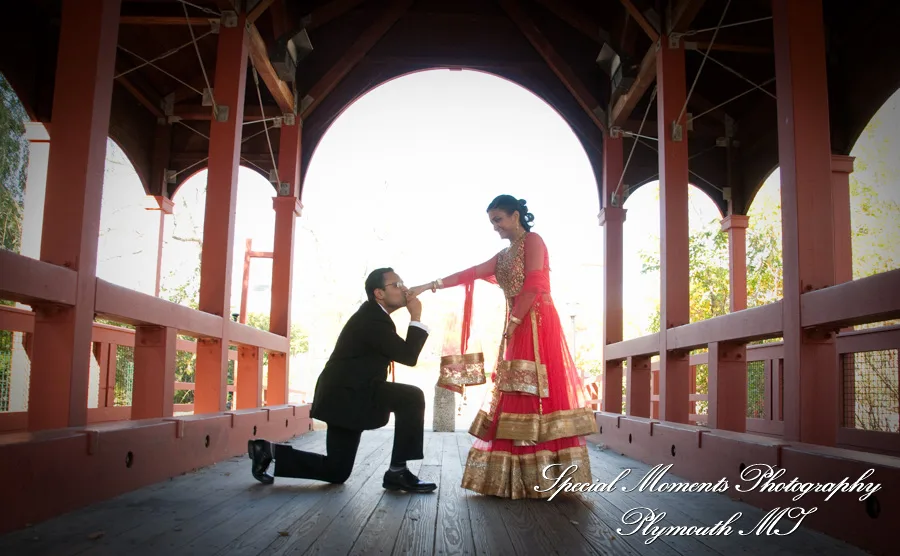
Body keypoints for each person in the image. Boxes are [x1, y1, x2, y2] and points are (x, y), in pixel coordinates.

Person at [408, 195, 596, 499]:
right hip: (518, 320)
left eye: (499, 219)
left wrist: (515, 320)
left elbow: (535, 283)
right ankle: (515, 476)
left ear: (516, 216)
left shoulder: (533, 240)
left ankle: (547, 475)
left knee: (533, 388)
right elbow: (468, 273)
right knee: (513, 388)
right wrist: (428, 286)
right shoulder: (502, 256)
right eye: (492, 221)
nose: (495, 226)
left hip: (535, 319)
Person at [247, 268, 437, 493]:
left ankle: (269, 452)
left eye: (403, 283)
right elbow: (408, 356)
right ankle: (398, 472)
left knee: (337, 471)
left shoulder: (375, 316)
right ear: (379, 293)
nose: (404, 288)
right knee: (411, 397)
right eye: (396, 285)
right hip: (346, 396)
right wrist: (416, 316)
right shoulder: (372, 320)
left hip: (353, 393)